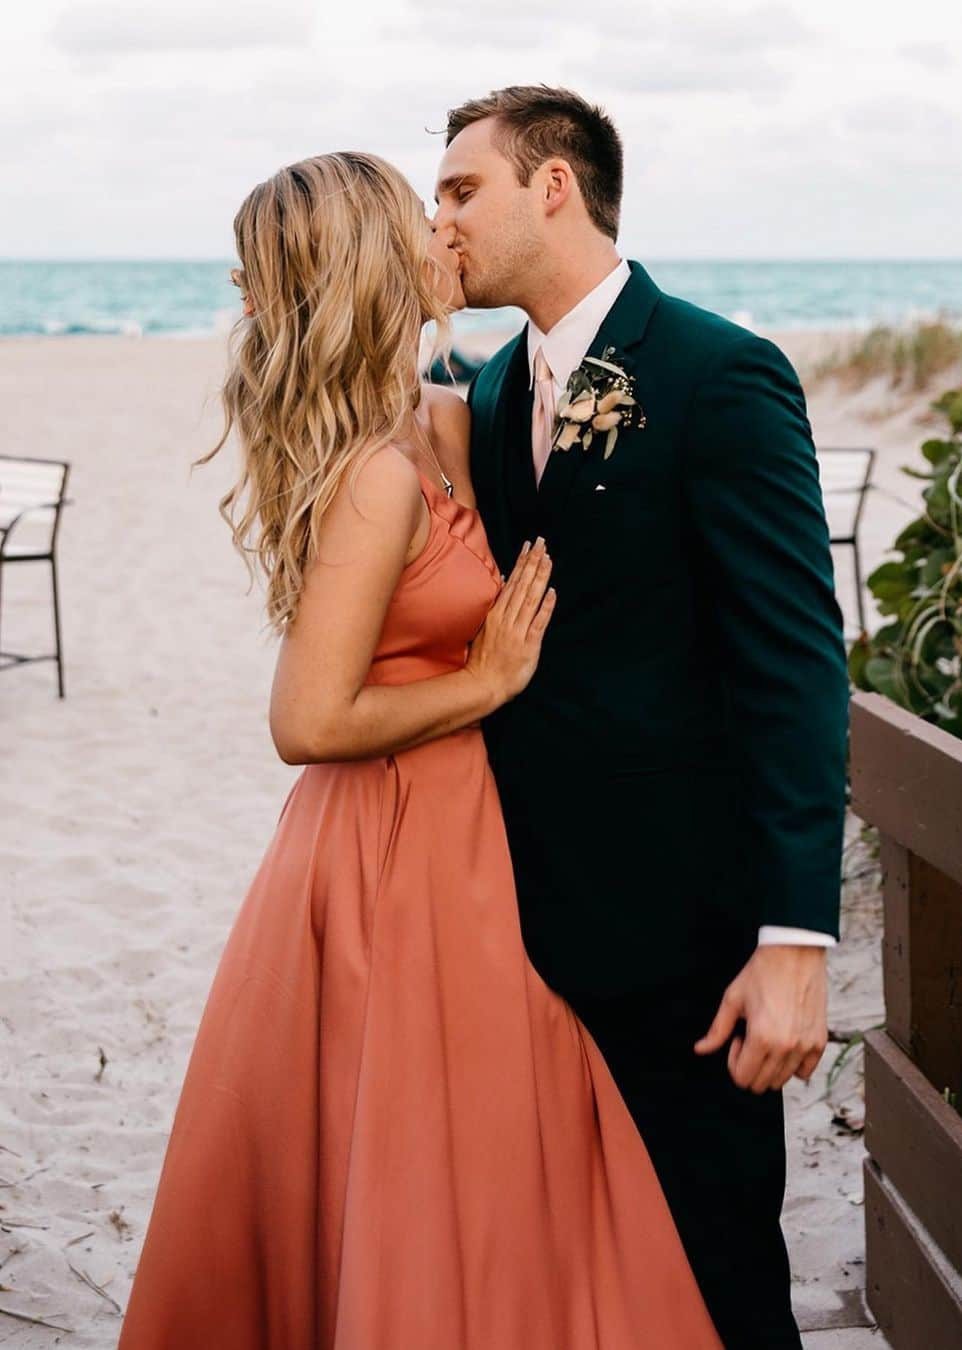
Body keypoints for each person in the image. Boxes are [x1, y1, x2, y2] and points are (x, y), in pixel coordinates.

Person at [116, 151, 725, 1348]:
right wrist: (487, 680)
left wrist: (440, 304)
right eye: (421, 215)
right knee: (431, 1155)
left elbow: (493, 397)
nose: (442, 228)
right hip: (392, 851)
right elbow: (306, 721)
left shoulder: (441, 415)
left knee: (494, 1146)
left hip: (467, 835)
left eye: (449, 206)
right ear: (369, 260)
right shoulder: (375, 479)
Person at [434, 86, 850, 1349]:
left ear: (552, 186)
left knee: (715, 1277)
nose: (437, 216)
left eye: (461, 190)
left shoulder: (721, 374)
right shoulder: (494, 389)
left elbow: (795, 667)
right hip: (519, 929)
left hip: (685, 941)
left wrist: (794, 940)